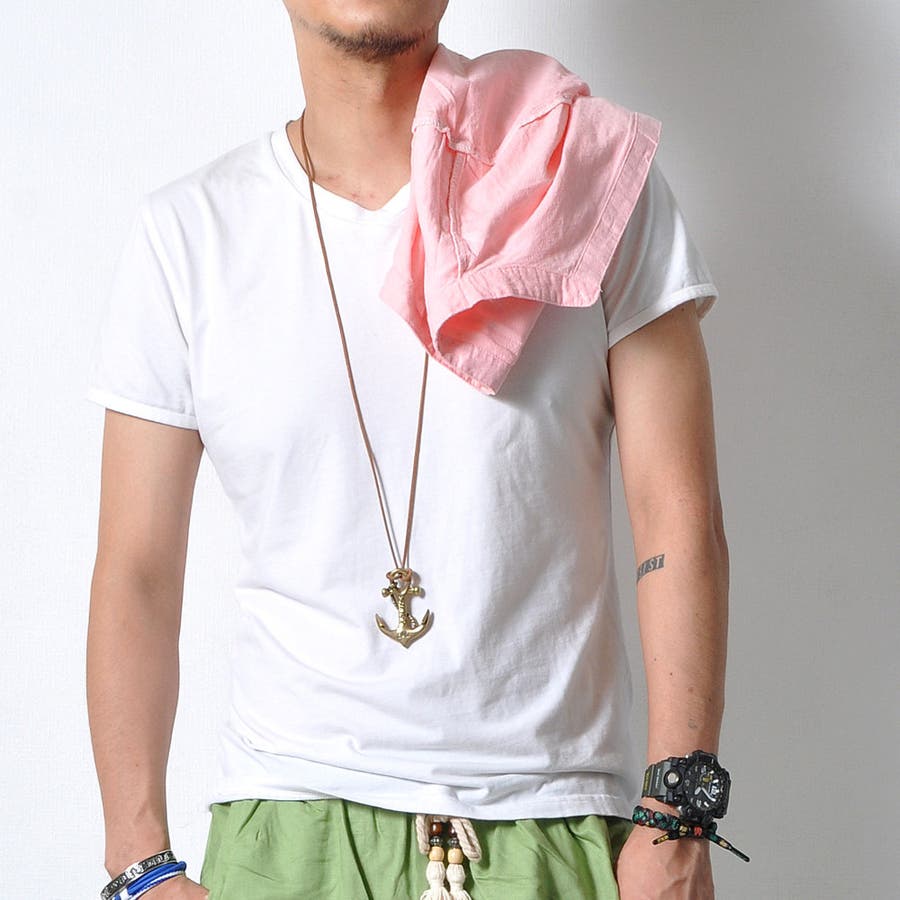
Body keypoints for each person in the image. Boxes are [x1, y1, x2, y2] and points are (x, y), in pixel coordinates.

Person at [86, 2, 733, 898]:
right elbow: (136, 571)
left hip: (553, 819)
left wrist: (678, 822)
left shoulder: (587, 182)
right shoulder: (189, 234)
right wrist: (138, 865)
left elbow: (679, 516)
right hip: (288, 828)